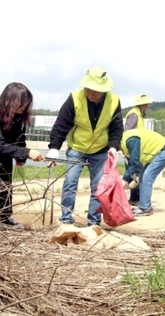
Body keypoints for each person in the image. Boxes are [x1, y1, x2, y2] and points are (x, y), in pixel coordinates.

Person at [47, 67, 124, 226]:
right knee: (70, 182)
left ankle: (94, 222)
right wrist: (54, 147)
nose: (90, 94)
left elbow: (116, 128)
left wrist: (113, 147)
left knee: (98, 187)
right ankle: (66, 220)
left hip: (100, 150)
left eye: (95, 91)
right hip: (77, 148)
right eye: (88, 89)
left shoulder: (114, 101)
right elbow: (62, 124)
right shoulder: (75, 98)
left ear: (103, 90)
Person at [0, 82, 46, 234]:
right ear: (10, 100)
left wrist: (21, 158)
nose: (25, 105)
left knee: (6, 183)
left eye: (27, 102)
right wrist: (26, 152)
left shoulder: (20, 117)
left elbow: (20, 138)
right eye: (22, 102)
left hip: (6, 149)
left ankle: (6, 218)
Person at [120, 129, 165, 216]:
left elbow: (134, 162)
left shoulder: (131, 140)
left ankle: (145, 208)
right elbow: (132, 163)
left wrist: (125, 179)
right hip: (158, 151)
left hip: (164, 150)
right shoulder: (124, 142)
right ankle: (143, 206)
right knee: (142, 176)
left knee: (147, 176)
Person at [123, 94, 152, 206]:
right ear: (143, 104)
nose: (147, 106)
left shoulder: (138, 114)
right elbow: (127, 131)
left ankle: (135, 198)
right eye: (146, 104)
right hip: (132, 149)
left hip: (136, 149)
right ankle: (137, 199)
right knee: (137, 173)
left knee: (135, 173)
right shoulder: (134, 114)